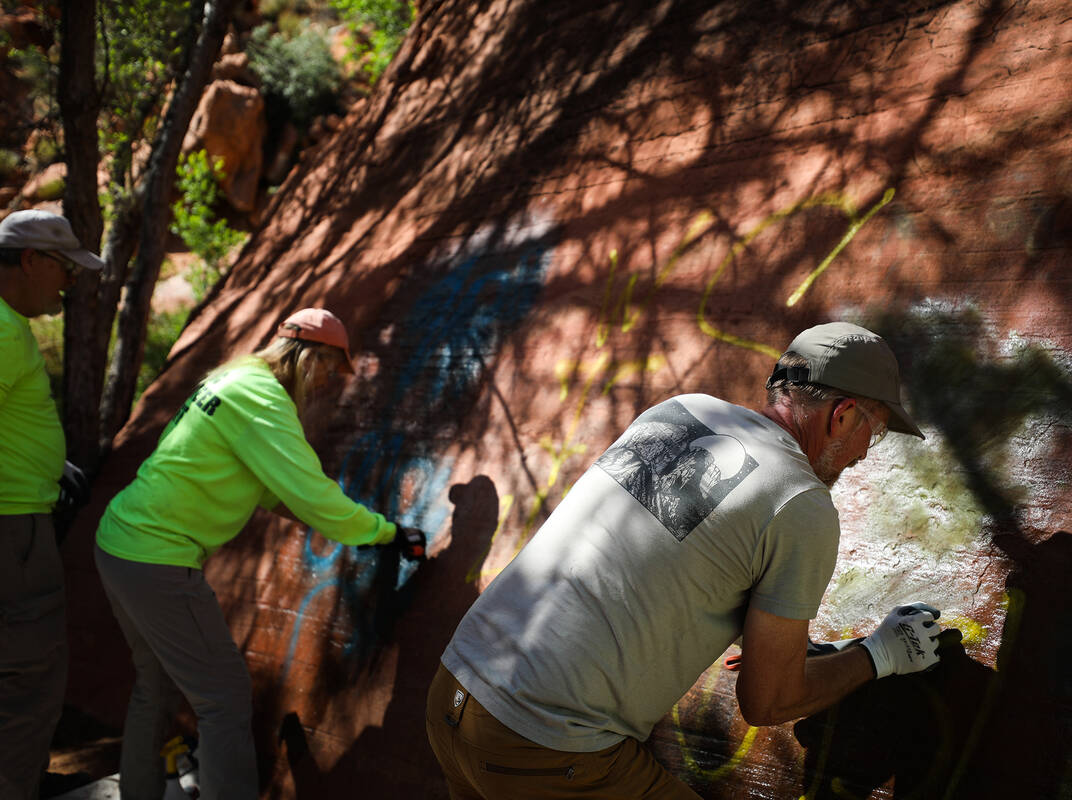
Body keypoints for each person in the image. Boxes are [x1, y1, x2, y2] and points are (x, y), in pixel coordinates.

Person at [427, 321, 948, 799]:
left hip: (454, 693)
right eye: (874, 432)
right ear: (843, 415)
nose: (863, 452)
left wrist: (782, 645)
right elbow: (767, 702)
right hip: (543, 742)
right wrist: (881, 655)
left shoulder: (681, 410)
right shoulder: (800, 502)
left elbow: (670, 552)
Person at [94, 307, 416, 800]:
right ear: (309, 356)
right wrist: (384, 533)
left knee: (153, 686)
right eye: (330, 368)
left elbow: (265, 488)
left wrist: (314, 516)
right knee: (223, 700)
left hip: (120, 543)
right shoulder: (264, 398)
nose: (330, 381)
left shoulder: (234, 377)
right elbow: (311, 491)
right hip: (158, 560)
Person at [0, 210, 104, 799]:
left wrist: (44, 464)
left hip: (17, 517)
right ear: (31, 262)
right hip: (12, 534)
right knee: (29, 683)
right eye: (63, 268)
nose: (67, 282)